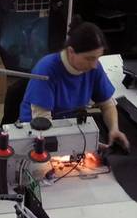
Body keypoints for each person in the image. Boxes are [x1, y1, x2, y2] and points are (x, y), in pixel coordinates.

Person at [17, 21, 130, 150]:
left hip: (72, 127)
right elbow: (44, 124)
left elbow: (107, 104)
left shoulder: (94, 68)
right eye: (89, 58)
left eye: (97, 58)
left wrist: (113, 129)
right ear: (71, 52)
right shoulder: (46, 70)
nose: (94, 65)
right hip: (38, 130)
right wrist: (83, 144)